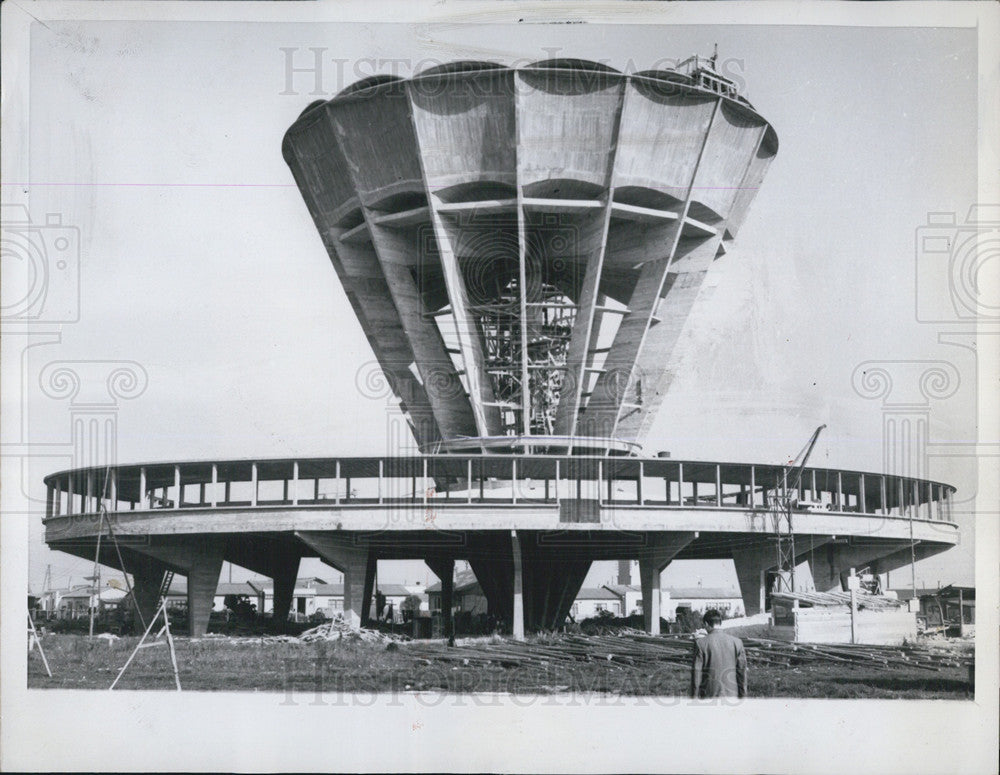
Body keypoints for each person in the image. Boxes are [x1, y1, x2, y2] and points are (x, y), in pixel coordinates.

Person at [690, 609, 748, 699]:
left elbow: (696, 675)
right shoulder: (737, 642)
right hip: (732, 694)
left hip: (708, 695)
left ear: (706, 624)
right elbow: (742, 673)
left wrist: (694, 697)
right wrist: (743, 695)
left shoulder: (700, 643)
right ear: (720, 623)